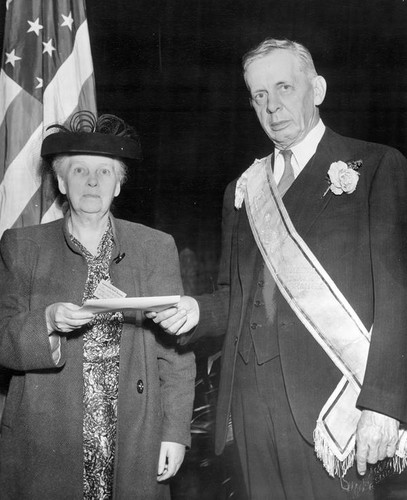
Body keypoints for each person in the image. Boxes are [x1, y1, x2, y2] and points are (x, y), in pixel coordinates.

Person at [147, 38, 407, 499]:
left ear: (318, 89)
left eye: (284, 87)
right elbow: (232, 296)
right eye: (259, 95)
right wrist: (194, 311)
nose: (272, 106)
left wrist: (385, 406)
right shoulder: (242, 190)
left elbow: (398, 297)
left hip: (335, 402)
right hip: (250, 398)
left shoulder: (376, 167)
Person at [0, 111, 196, 500]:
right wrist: (46, 322)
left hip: (133, 433)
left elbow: (175, 352)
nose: (92, 181)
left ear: (118, 185)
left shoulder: (154, 248)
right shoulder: (22, 247)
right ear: (60, 181)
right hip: (45, 437)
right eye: (79, 171)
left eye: (105, 172)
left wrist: (175, 432)